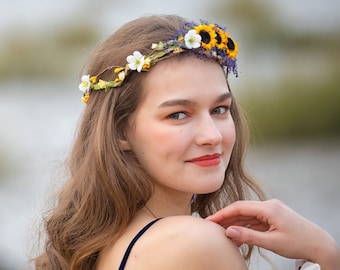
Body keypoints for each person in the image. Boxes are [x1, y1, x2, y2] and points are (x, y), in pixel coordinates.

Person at [32, 14, 339, 270]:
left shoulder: (107, 245)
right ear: (120, 132)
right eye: (178, 115)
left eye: (219, 109)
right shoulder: (196, 244)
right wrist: (324, 252)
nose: (212, 136)